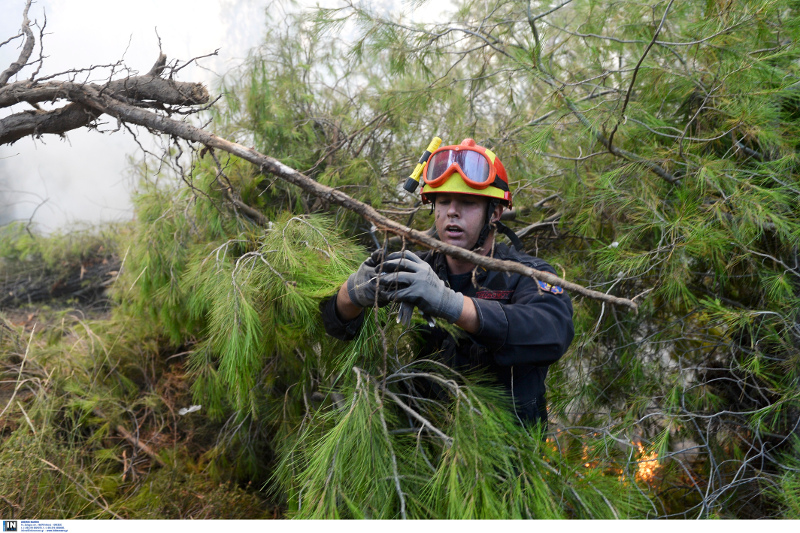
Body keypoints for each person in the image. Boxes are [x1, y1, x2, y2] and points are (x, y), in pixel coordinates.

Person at [320, 138, 574, 427]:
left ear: (495, 213)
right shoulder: (413, 269)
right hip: (421, 439)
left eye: (467, 202)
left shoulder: (527, 274)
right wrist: (350, 295)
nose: (452, 211)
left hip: (506, 444)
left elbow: (553, 332)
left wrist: (450, 304)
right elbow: (334, 327)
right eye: (443, 201)